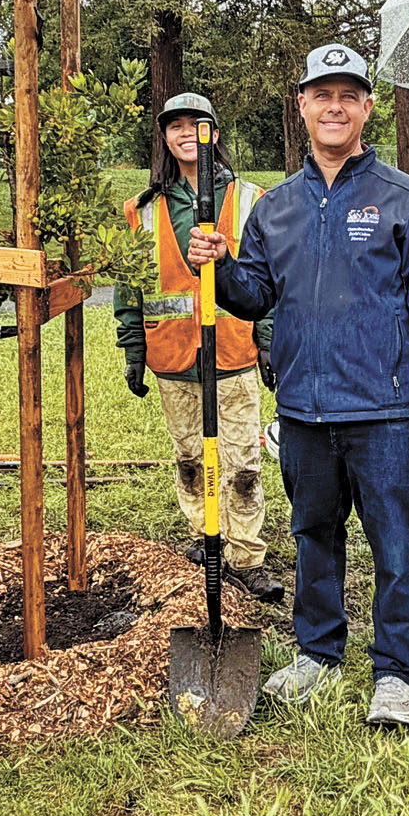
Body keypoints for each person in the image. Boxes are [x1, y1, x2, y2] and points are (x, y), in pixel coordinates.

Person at [187, 44, 409, 731]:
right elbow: (253, 295)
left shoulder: (407, 200)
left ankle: (394, 672)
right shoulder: (277, 207)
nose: (334, 107)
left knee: (397, 546)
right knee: (313, 534)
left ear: (367, 107)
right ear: (302, 106)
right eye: (322, 95)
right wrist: (220, 267)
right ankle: (318, 652)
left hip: (386, 412)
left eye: (348, 95)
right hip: (304, 412)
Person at [116, 92, 278, 601]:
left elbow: (269, 278)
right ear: (165, 137)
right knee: (189, 459)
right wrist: (134, 350)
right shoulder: (142, 211)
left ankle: (246, 555)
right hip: (173, 356)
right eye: (176, 125)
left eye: (196, 124)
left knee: (243, 466)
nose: (187, 133)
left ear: (214, 133)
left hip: (232, 353)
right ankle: (203, 538)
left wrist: (267, 340)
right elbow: (130, 286)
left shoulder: (251, 200)